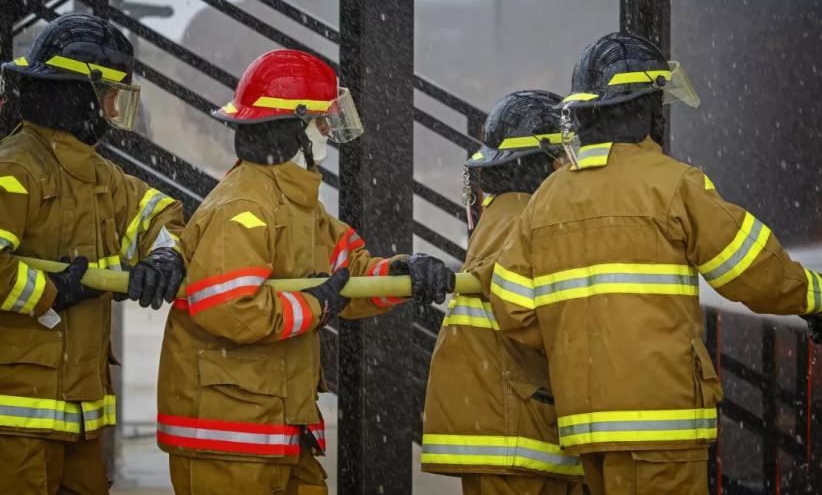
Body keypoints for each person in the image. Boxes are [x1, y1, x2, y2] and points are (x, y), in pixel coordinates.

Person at [486, 31, 822, 495]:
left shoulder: (546, 199)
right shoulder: (672, 184)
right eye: (654, 102)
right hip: (662, 423)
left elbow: (512, 308)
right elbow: (751, 270)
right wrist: (813, 296)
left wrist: (581, 344)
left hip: (586, 426)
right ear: (641, 107)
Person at [156, 49, 455, 495]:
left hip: (272, 428)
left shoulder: (296, 205)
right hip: (230, 437)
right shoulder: (243, 208)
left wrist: (402, 272)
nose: (328, 132)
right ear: (292, 127)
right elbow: (230, 309)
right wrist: (317, 305)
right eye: (321, 121)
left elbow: (350, 272)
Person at [0, 13, 185, 494]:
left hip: (79, 417)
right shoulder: (14, 169)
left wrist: (166, 258)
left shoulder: (99, 175)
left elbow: (159, 215)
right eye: (109, 96)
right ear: (79, 94)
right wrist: (51, 291)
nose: (113, 109)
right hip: (16, 423)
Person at [422, 90, 584, 495]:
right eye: (563, 156)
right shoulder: (529, 218)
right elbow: (530, 314)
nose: (570, 166)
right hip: (514, 425)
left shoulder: (505, 212)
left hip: (504, 419)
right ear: (544, 160)